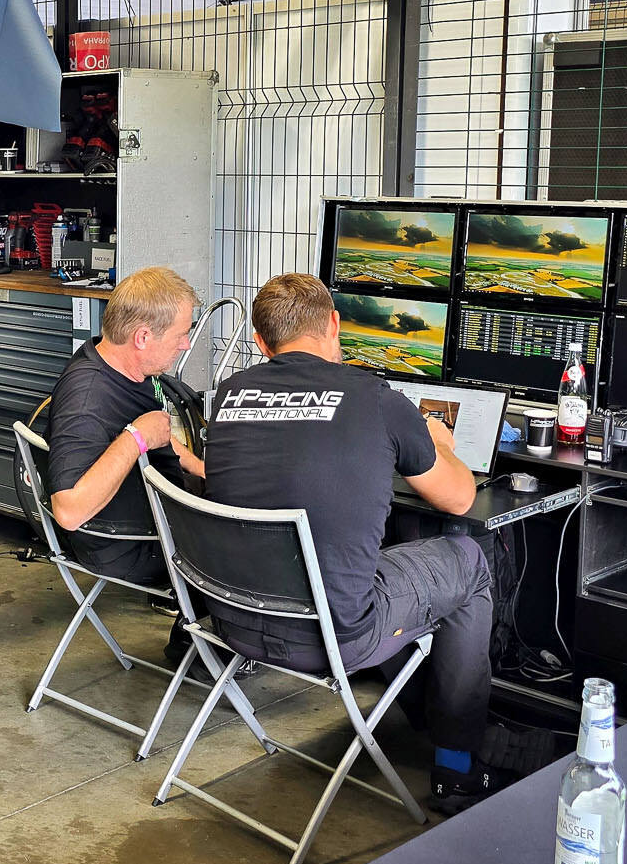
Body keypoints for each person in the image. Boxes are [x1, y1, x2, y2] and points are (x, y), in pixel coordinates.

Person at [203, 272, 500, 816]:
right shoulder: (377, 401)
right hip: (335, 638)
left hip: (235, 622)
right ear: (335, 323)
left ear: (261, 343)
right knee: (469, 559)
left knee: (374, 559)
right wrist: (437, 441)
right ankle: (457, 768)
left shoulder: (226, 398)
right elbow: (459, 499)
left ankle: (419, 708)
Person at [45, 266, 205, 659]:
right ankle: (204, 648)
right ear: (143, 337)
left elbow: (154, 430)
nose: (185, 344)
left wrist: (197, 466)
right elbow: (68, 510)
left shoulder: (116, 364)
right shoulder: (88, 401)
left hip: (149, 518)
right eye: (180, 334)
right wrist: (135, 439)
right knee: (255, 532)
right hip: (128, 546)